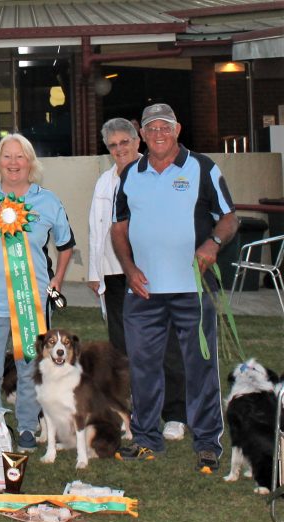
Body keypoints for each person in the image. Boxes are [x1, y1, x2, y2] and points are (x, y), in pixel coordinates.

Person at [112, 103, 239, 471]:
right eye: (151, 128)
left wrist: (213, 243)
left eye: (165, 127)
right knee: (143, 366)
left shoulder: (203, 168)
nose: (159, 134)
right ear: (142, 134)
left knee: (199, 365)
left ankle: (207, 443)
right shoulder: (130, 173)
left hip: (192, 288)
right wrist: (128, 267)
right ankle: (147, 438)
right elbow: (119, 227)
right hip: (145, 290)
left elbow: (229, 217)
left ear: (178, 129)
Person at [0, 133, 75, 452]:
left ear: (30, 162)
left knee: (30, 366)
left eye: (19, 157)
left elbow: (66, 245)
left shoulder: (47, 201)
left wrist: (58, 280)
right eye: (7, 157)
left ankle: (26, 427)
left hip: (32, 301)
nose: (13, 163)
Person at [88, 118, 187, 441]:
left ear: (138, 143)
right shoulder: (104, 181)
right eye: (113, 145)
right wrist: (94, 272)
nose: (119, 150)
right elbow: (96, 228)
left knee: (165, 344)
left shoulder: (155, 175)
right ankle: (131, 410)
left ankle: (174, 414)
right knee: (123, 347)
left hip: (154, 273)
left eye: (125, 143)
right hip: (115, 275)